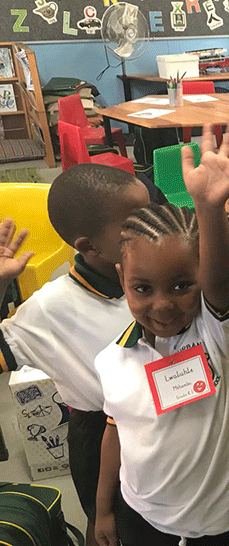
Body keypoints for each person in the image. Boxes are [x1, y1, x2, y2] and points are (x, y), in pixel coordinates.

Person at [94, 124, 229, 545]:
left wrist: (209, 209)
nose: (162, 305)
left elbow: (221, 282)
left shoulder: (216, 333)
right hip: (147, 521)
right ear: (122, 279)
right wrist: (103, 508)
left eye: (180, 285)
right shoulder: (112, 361)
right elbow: (116, 428)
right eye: (142, 288)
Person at [0, 165, 150, 546]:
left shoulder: (159, 275)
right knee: (117, 530)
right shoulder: (50, 309)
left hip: (170, 416)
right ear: (88, 246)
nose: (152, 227)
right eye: (134, 224)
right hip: (101, 438)